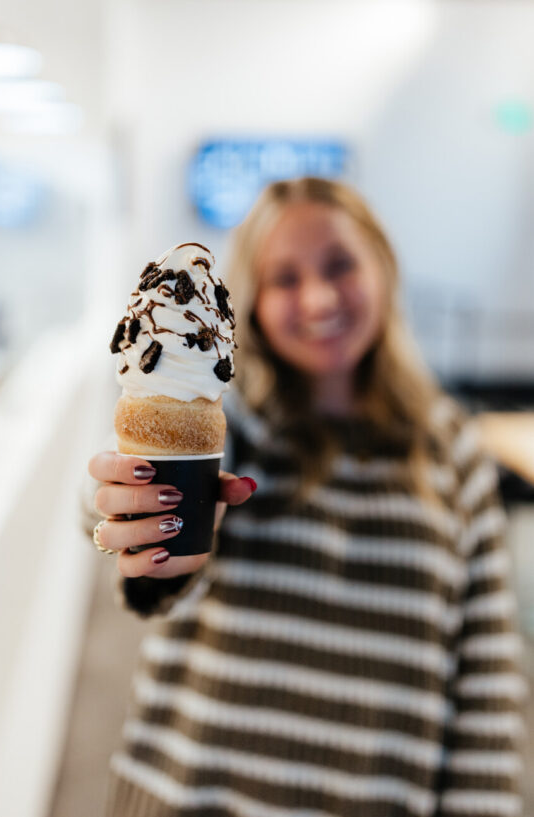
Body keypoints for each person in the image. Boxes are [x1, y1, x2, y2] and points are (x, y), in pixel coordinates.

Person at [88, 177, 525, 817]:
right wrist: (124, 505)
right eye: (284, 278)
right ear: (255, 302)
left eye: (340, 265)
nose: (318, 298)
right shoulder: (233, 420)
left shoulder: (452, 451)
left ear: (384, 267)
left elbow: (487, 682)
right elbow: (129, 495)